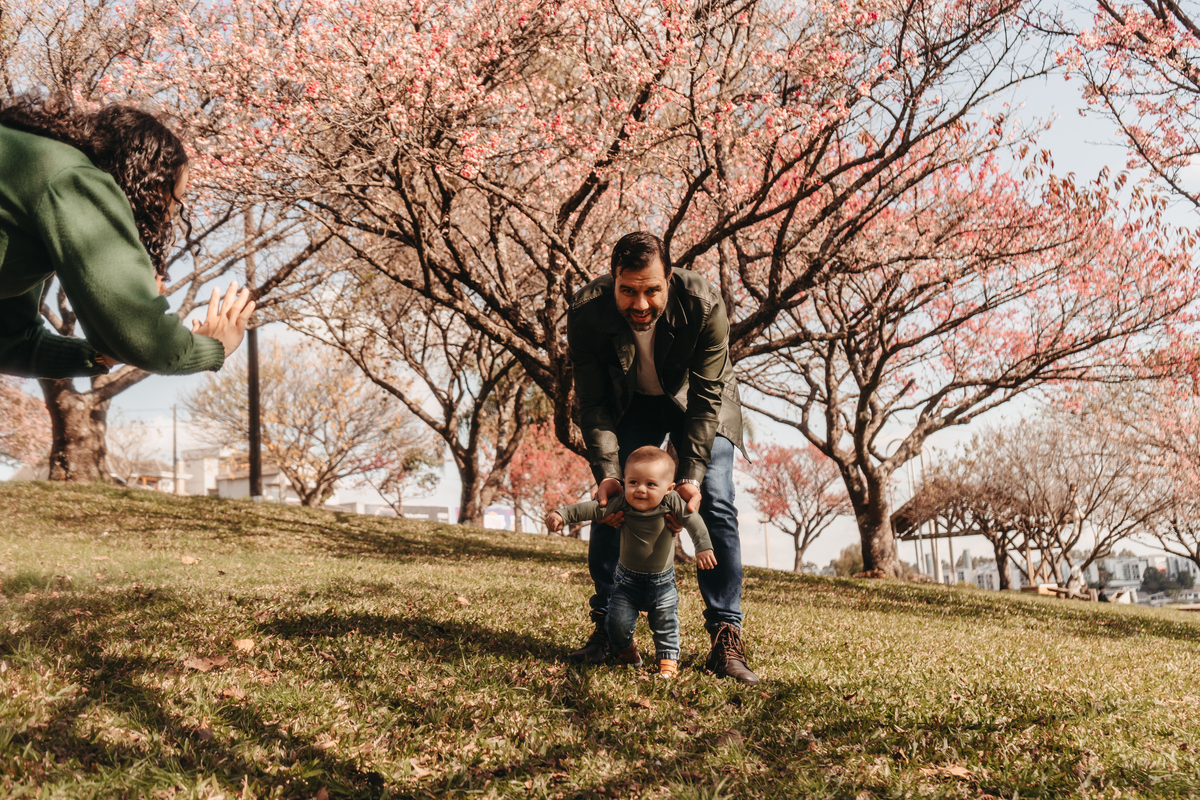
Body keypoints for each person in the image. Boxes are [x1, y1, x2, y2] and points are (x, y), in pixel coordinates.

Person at [566, 230, 759, 685]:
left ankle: (725, 634)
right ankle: (610, 628)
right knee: (619, 499)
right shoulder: (586, 311)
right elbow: (593, 404)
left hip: (701, 400)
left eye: (652, 290)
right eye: (628, 290)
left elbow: (708, 395)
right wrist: (608, 473)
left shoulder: (705, 303)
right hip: (631, 403)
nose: (640, 304)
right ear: (612, 280)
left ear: (668, 279)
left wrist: (690, 475)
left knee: (713, 496)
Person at [0, 95, 253, 379]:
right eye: (170, 201)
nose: (169, 218)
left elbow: (11, 344)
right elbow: (148, 341)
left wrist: (104, 354)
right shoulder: (74, 179)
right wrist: (214, 346)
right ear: (143, 183)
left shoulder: (33, 179)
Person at [547, 446, 717, 678]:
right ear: (624, 482)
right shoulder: (623, 503)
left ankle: (667, 663)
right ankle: (628, 653)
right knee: (615, 624)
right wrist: (562, 515)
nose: (640, 490)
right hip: (626, 583)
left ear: (669, 489)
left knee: (665, 624)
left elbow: (692, 519)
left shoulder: (672, 502)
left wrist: (703, 546)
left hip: (663, 584)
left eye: (651, 484)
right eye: (634, 482)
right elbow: (592, 509)